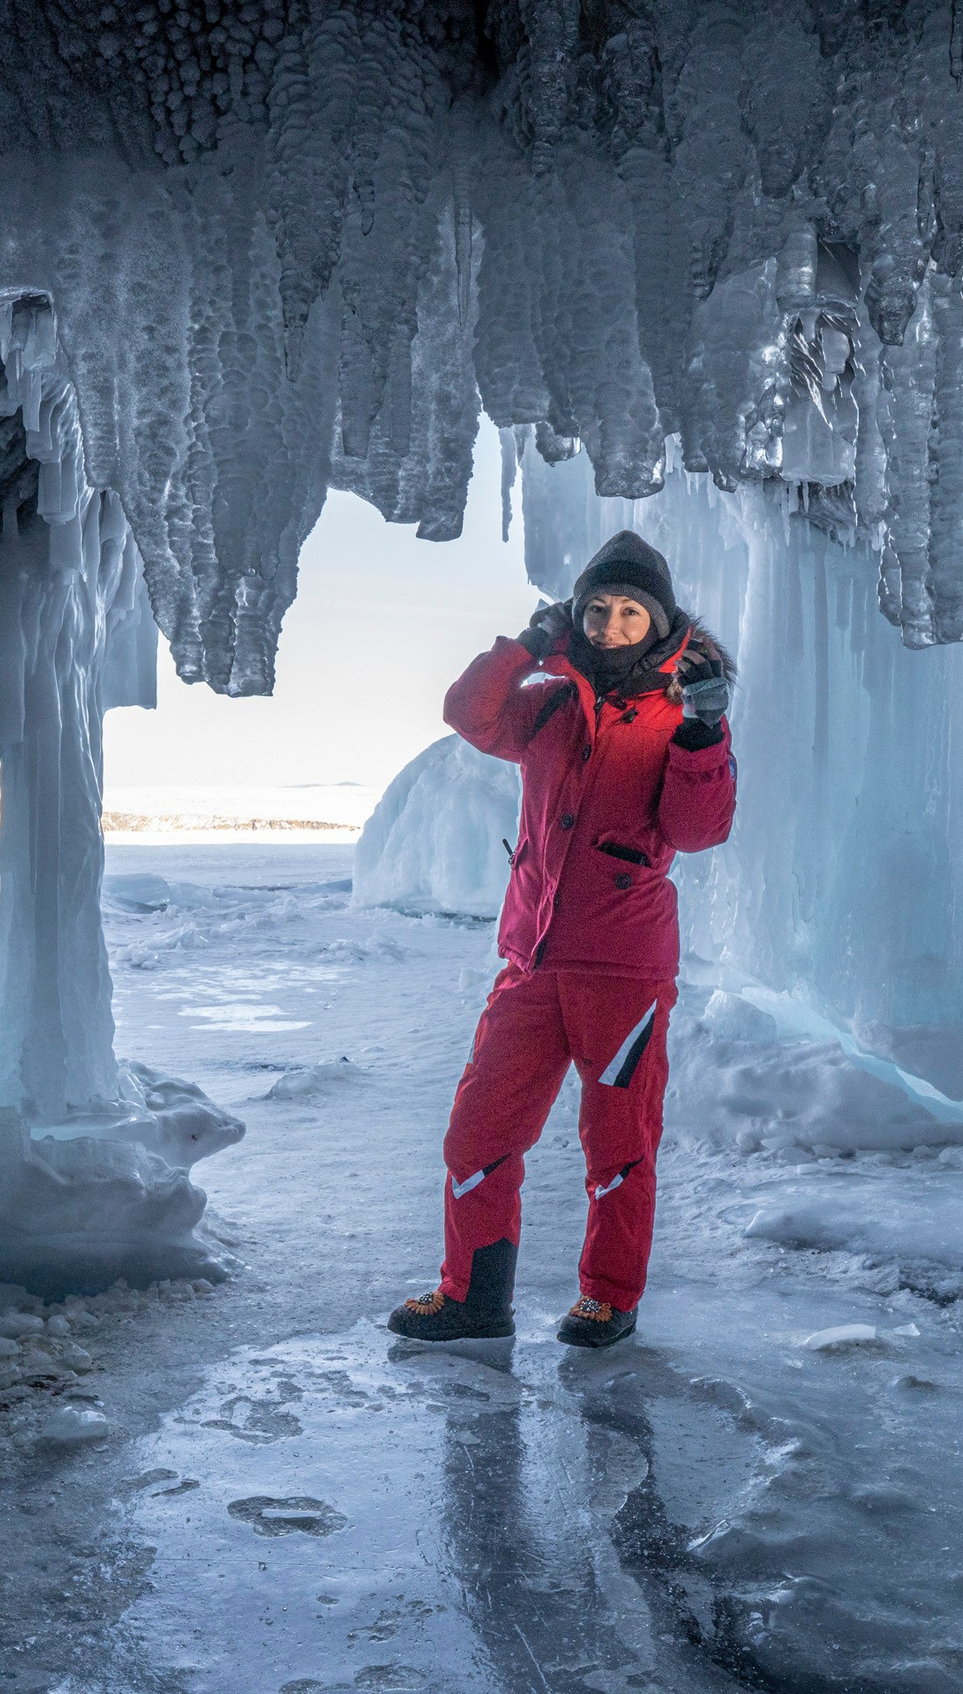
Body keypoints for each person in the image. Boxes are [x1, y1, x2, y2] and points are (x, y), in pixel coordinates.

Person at [388, 529, 737, 1350]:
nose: (611, 625)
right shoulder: (548, 701)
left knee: (618, 1146)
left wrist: (706, 730)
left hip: (622, 970)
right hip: (532, 962)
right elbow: (469, 714)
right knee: (478, 1133)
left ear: (659, 623)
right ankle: (474, 1299)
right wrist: (523, 647)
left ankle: (609, 1299)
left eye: (630, 612)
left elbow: (698, 831)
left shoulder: (679, 712)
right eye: (597, 609)